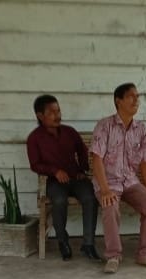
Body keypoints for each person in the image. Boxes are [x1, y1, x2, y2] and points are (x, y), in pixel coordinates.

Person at [90, 83, 146, 274]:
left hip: (130, 181)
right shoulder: (104, 126)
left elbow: (145, 162)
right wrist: (105, 190)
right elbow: (96, 159)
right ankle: (113, 255)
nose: (136, 100)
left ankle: (144, 253)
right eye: (131, 96)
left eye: (137, 96)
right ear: (118, 101)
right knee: (110, 205)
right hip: (108, 182)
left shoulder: (141, 129)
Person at [26, 94, 101, 261]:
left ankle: (88, 244)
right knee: (59, 201)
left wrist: (82, 168)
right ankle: (63, 241)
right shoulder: (34, 138)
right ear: (40, 116)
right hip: (54, 182)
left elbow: (82, 150)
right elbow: (35, 164)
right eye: (51, 112)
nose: (57, 115)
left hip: (75, 178)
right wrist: (54, 171)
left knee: (91, 198)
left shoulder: (69, 132)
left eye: (58, 111)